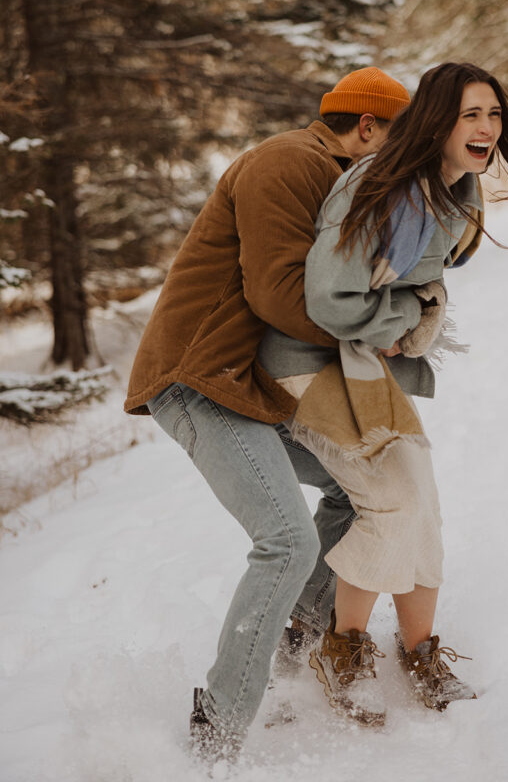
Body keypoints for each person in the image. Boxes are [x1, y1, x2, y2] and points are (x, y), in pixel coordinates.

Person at [258, 61, 508, 725]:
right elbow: (330, 296)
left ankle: (419, 652)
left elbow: (428, 271)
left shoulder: (448, 190)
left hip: (359, 366)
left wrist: (421, 309)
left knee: (421, 507)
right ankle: (337, 652)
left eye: (493, 113)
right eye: (470, 115)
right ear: (435, 123)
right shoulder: (383, 187)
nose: (486, 127)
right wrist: (408, 322)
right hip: (309, 364)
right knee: (391, 502)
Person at [124, 67, 412, 759]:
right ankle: (216, 728)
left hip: (245, 387)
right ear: (366, 127)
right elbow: (281, 295)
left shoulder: (333, 178)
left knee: (356, 489)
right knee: (285, 541)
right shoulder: (287, 161)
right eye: (398, 140)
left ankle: (295, 636)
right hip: (200, 379)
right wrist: (375, 329)